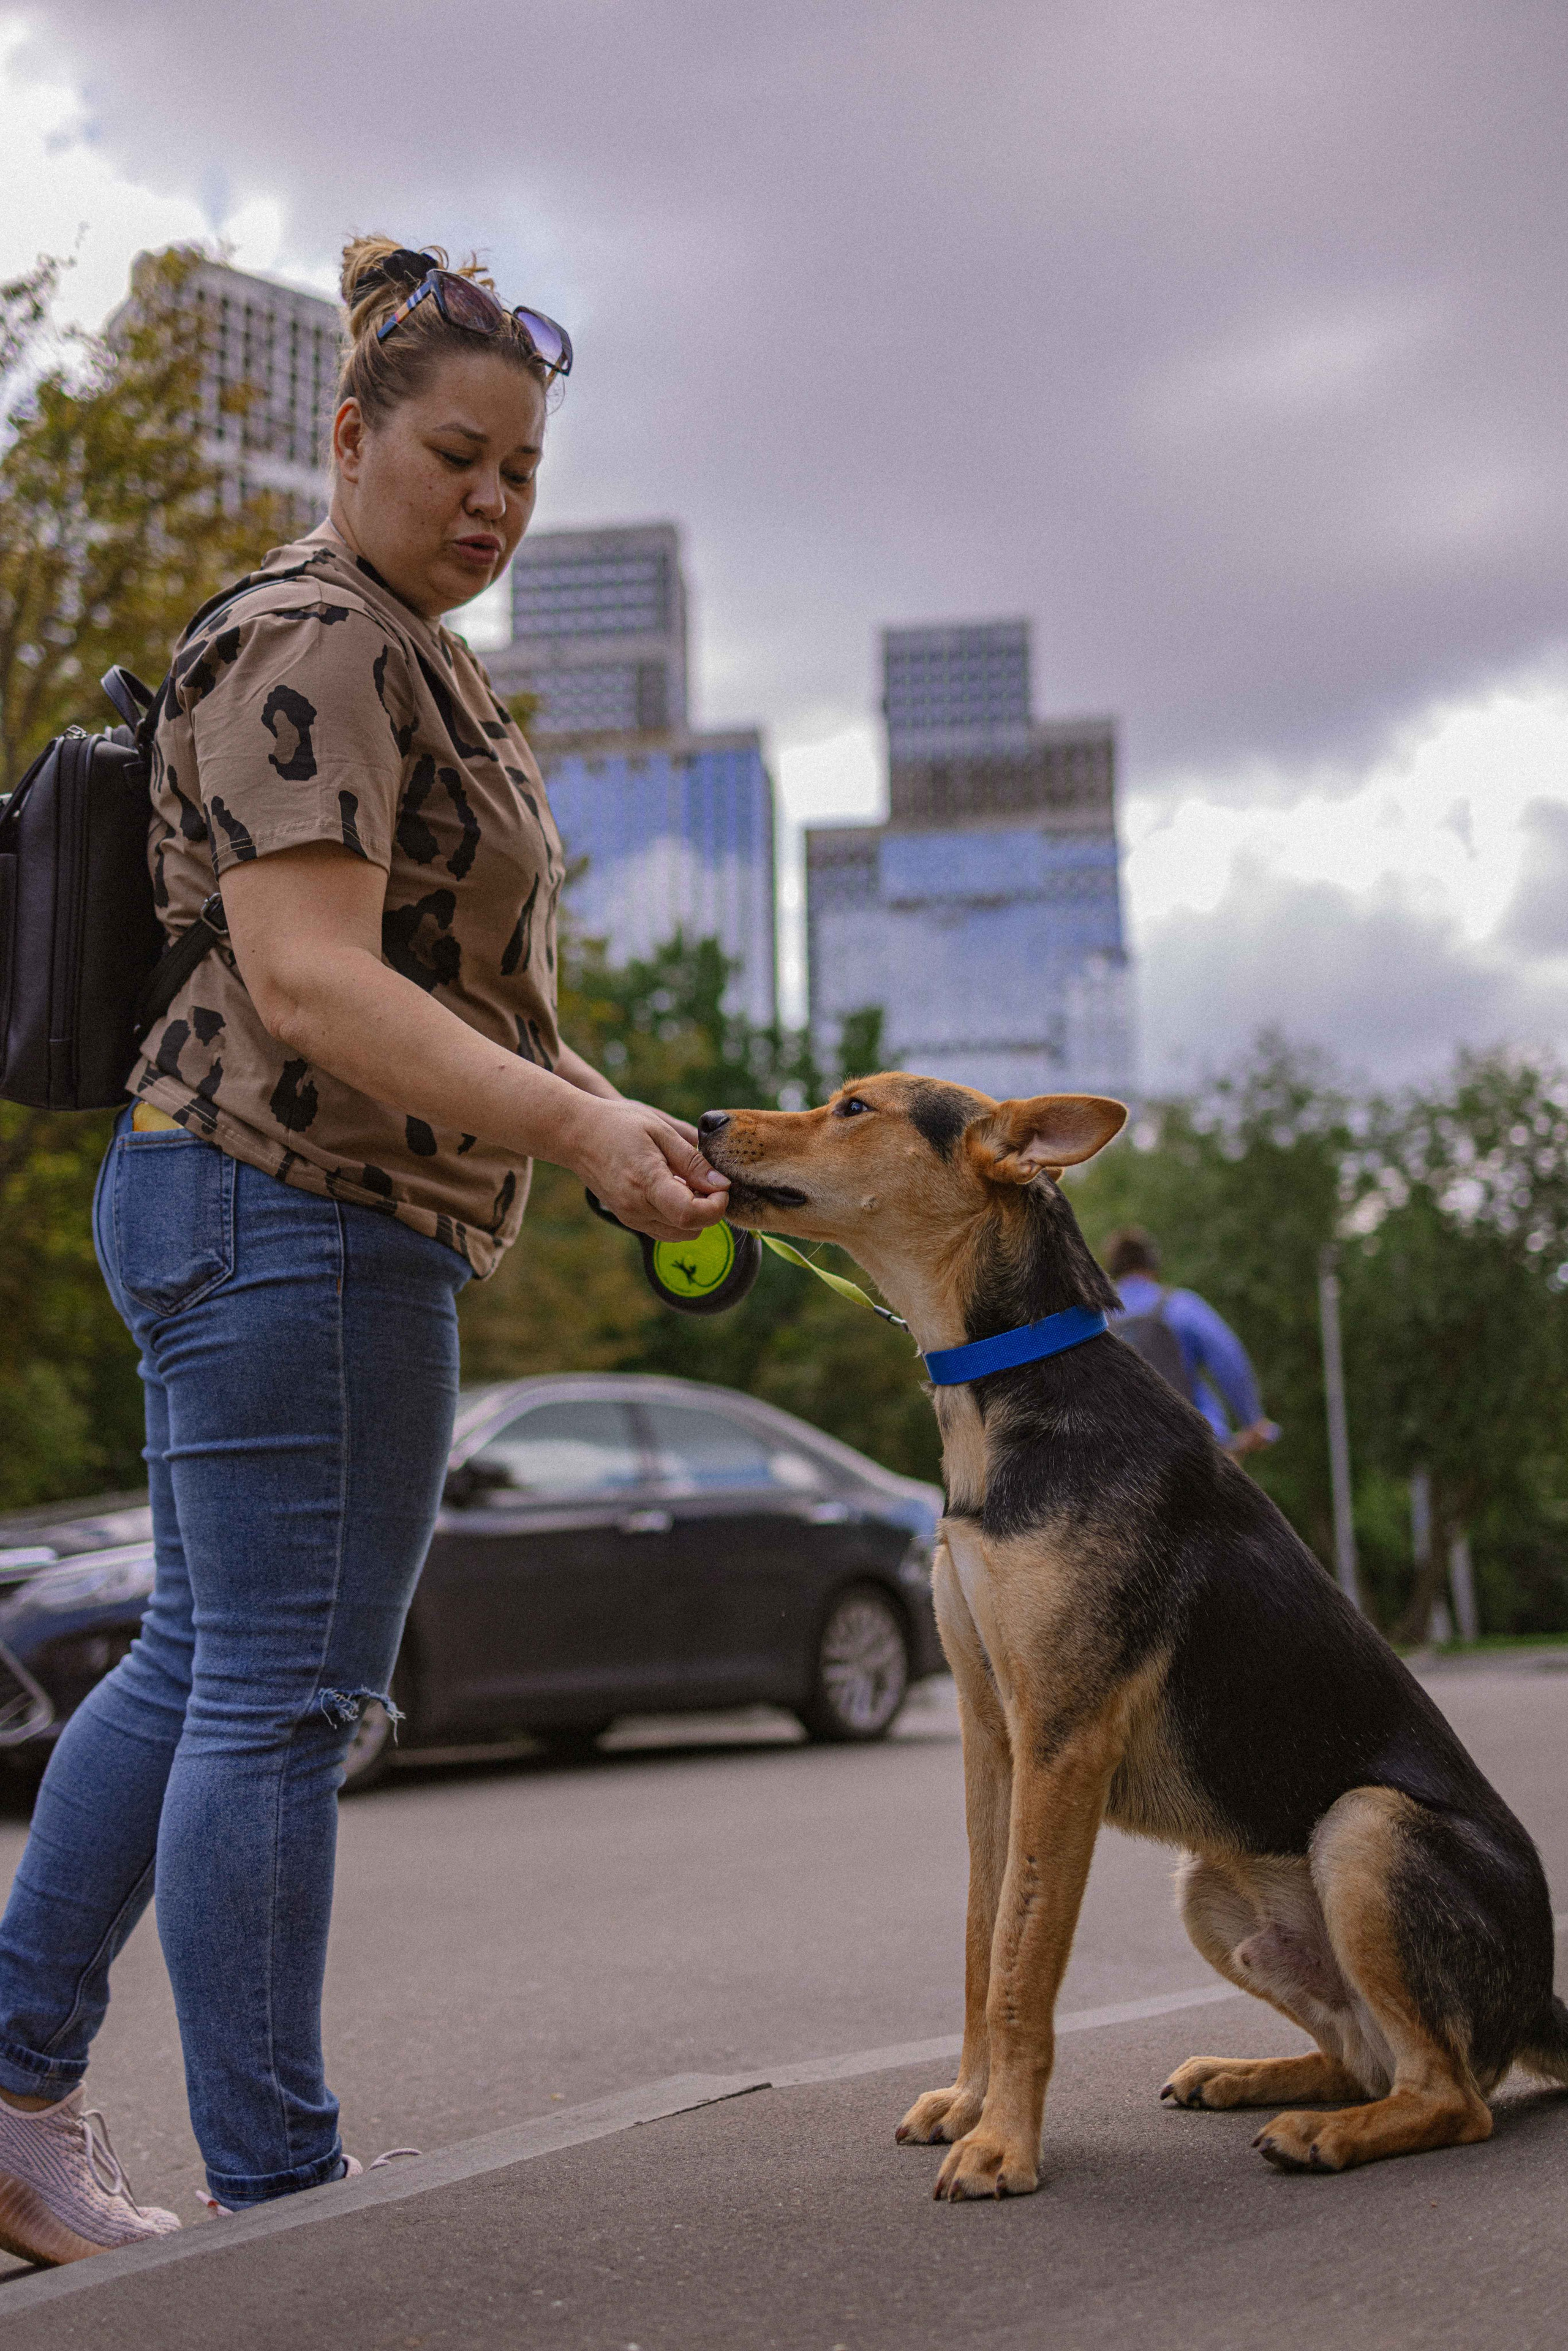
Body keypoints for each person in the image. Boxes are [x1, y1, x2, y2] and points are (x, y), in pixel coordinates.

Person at [0, 235, 731, 2266]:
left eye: (520, 472)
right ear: (352, 433)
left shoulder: (418, 649)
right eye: (455, 455)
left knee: (202, 1666)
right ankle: (283, 2195)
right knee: (282, 1695)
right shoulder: (319, 638)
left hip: (282, 1200)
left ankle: (17, 2094)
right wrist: (572, 1118)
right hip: (283, 1198)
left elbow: (458, 986)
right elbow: (313, 984)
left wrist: (603, 1122)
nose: (490, 499)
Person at [1102, 1228, 1275, 1456]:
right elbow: (1229, 1360)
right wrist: (1252, 1420)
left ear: (1111, 1271)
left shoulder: (1100, 1319)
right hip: (1194, 1448)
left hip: (1121, 1456)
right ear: (1153, 1266)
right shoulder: (1179, 1305)